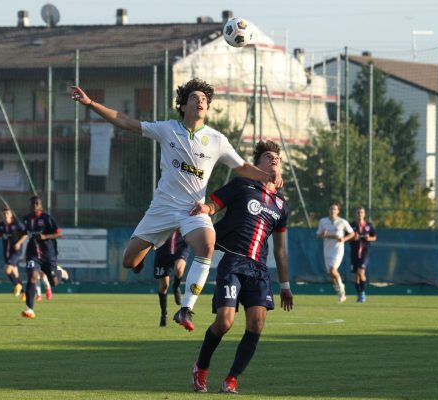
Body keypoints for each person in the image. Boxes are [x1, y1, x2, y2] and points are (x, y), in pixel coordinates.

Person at [71, 79, 282, 331]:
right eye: (195, 97)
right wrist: (91, 103)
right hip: (162, 207)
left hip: (192, 209)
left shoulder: (216, 139)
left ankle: (186, 309)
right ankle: (152, 245)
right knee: (129, 261)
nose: (201, 101)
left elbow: (243, 168)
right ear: (183, 106)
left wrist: (266, 175)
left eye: (204, 99)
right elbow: (125, 121)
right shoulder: (167, 129)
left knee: (207, 244)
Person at [189, 140, 293, 393]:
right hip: (233, 261)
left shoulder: (281, 205)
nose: (274, 160)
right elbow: (215, 203)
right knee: (225, 322)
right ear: (256, 164)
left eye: (277, 158)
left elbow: (280, 249)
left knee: (256, 326)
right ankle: (200, 367)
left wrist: (285, 285)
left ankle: (231, 379)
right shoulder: (242, 185)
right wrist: (206, 208)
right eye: (268, 157)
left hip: (258, 271)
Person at [18, 196, 68, 318]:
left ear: (41, 205)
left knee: (54, 282)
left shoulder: (47, 218)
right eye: (32, 203)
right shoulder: (26, 219)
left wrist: (45, 237)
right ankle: (29, 309)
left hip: (48, 255)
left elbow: (59, 233)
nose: (34, 205)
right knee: (32, 276)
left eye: (37, 203)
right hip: (33, 255)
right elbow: (23, 232)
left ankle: (60, 271)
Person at [317, 202, 355, 303]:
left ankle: (342, 288)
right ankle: (340, 292)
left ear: (338, 211)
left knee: (333, 269)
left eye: (334, 209)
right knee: (331, 272)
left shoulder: (342, 222)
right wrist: (323, 234)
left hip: (338, 249)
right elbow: (318, 235)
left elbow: (352, 233)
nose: (332, 211)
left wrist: (344, 239)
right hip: (327, 250)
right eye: (331, 209)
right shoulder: (323, 221)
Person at [154, 229, 190, 327]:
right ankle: (164, 314)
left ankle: (176, 287)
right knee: (164, 286)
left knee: (179, 269)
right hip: (162, 248)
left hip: (180, 245)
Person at [0, 208, 26, 297]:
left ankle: (17, 285)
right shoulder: (1, 225)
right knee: (15, 274)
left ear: (11, 215)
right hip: (7, 253)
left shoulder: (17, 224)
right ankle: (24, 292)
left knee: (7, 270)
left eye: (7, 213)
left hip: (16, 252)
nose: (5, 215)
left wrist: (19, 243)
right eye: (4, 214)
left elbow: (25, 234)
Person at [349, 207, 376, 303]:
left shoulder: (369, 225)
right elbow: (346, 237)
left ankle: (363, 293)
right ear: (356, 214)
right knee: (356, 276)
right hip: (354, 252)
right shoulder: (351, 225)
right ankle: (359, 294)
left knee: (361, 272)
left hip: (365, 252)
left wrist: (369, 238)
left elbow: (374, 237)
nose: (360, 214)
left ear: (364, 214)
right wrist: (353, 237)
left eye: (362, 212)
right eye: (358, 212)